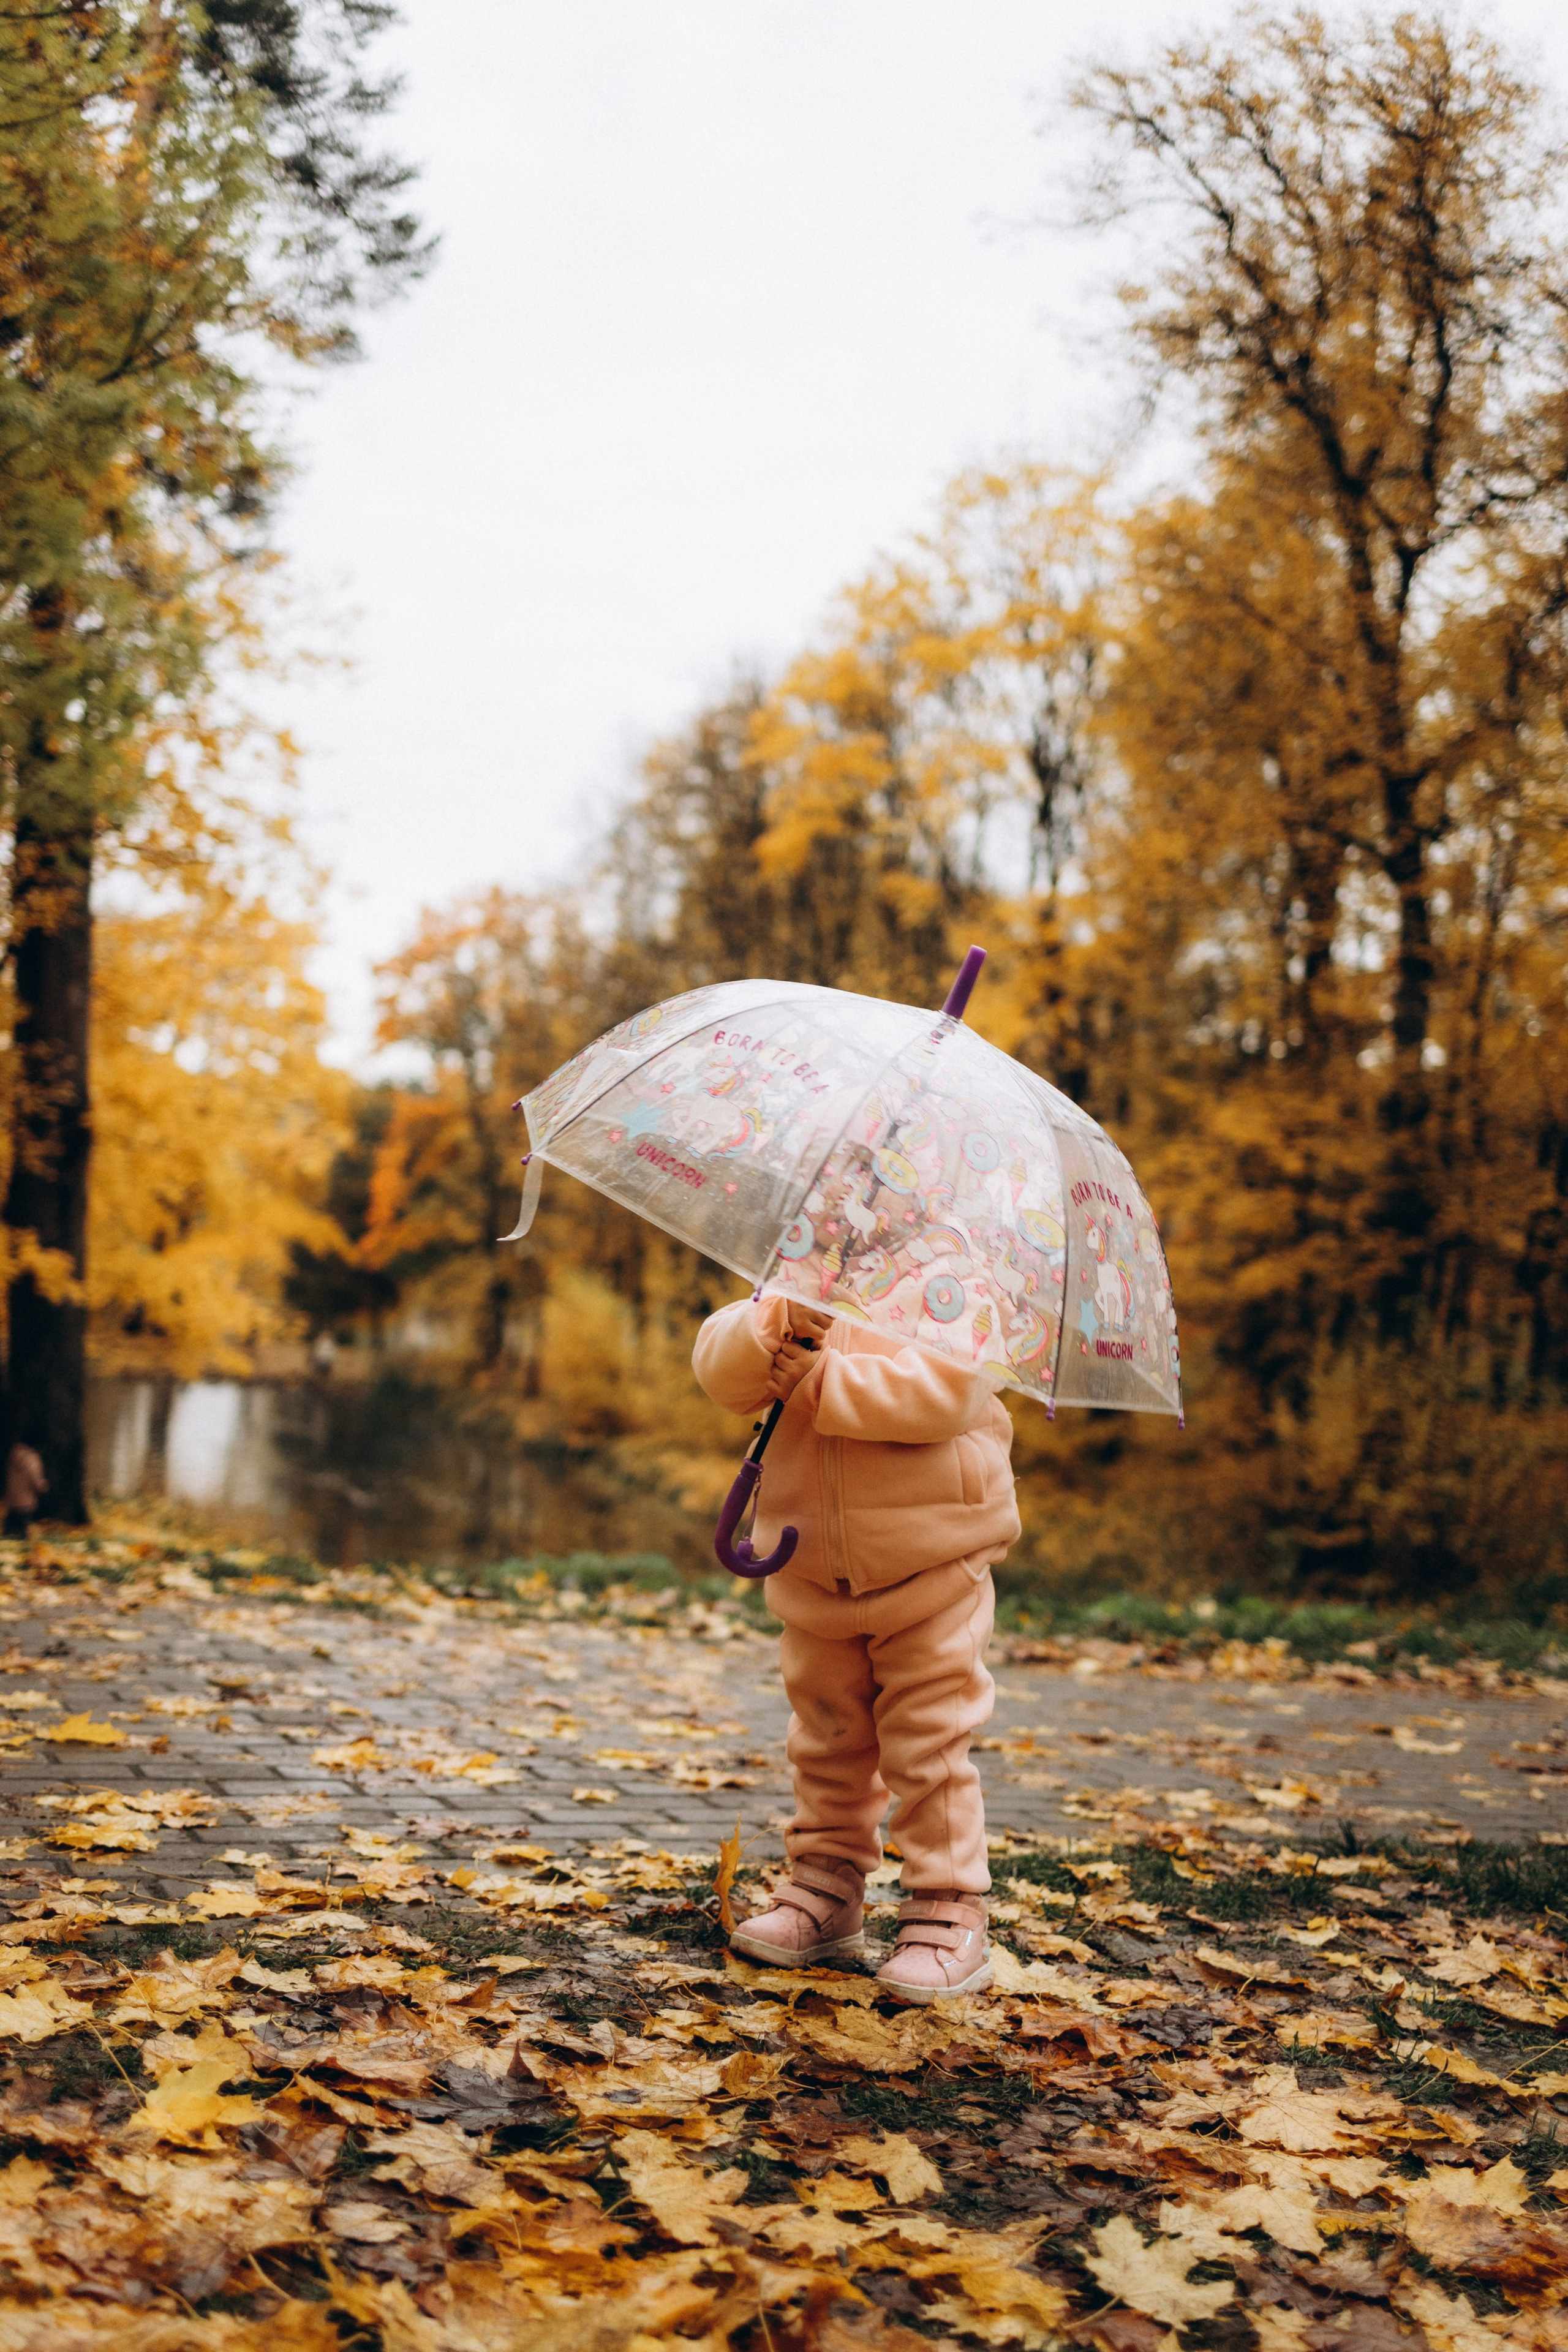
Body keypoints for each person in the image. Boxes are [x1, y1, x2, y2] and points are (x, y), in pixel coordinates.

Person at [692, 1292, 1019, 2002]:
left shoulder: (958, 1280)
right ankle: (826, 1884)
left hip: (933, 1560)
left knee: (926, 1740)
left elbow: (945, 1394)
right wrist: (772, 1326)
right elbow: (721, 1373)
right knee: (827, 1735)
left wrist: (817, 1384)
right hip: (810, 1560)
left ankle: (949, 1904)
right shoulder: (801, 1272)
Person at [2, 1442, 47, 1540]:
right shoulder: (32, 1459)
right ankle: (24, 1545)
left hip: (13, 1500)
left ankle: (5, 1540)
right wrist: (43, 1487)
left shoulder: (13, 1456)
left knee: (10, 1524)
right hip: (26, 1501)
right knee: (24, 1527)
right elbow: (35, 1479)